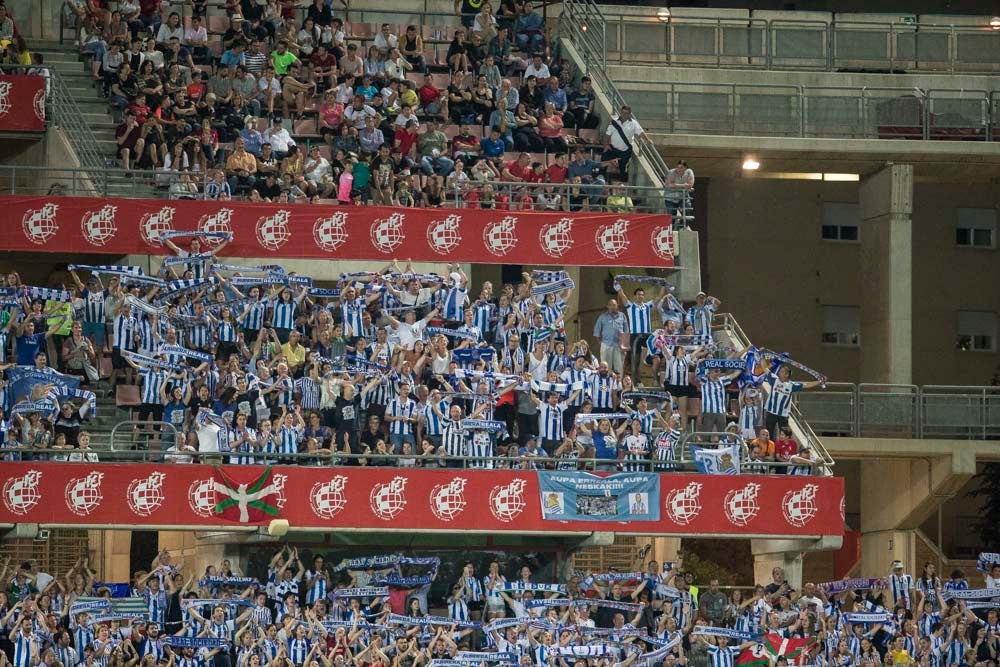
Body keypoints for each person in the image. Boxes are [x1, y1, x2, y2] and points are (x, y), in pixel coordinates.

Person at [603, 105, 645, 183]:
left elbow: (641, 133)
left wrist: (648, 140)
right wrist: (606, 145)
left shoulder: (633, 123)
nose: (624, 114)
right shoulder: (614, 121)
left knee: (623, 168)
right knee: (604, 159)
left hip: (625, 150)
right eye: (623, 112)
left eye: (626, 113)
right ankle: (601, 177)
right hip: (613, 147)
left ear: (629, 114)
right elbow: (607, 134)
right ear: (620, 112)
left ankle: (622, 184)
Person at [593, 299, 627, 375]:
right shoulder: (602, 317)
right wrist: (601, 344)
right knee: (606, 368)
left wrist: (624, 346)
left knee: (619, 368)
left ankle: (618, 385)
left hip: (619, 345)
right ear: (607, 306)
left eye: (614, 305)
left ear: (617, 306)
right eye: (610, 305)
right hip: (606, 344)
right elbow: (596, 331)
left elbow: (626, 331)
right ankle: (607, 385)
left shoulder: (622, 316)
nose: (612, 307)